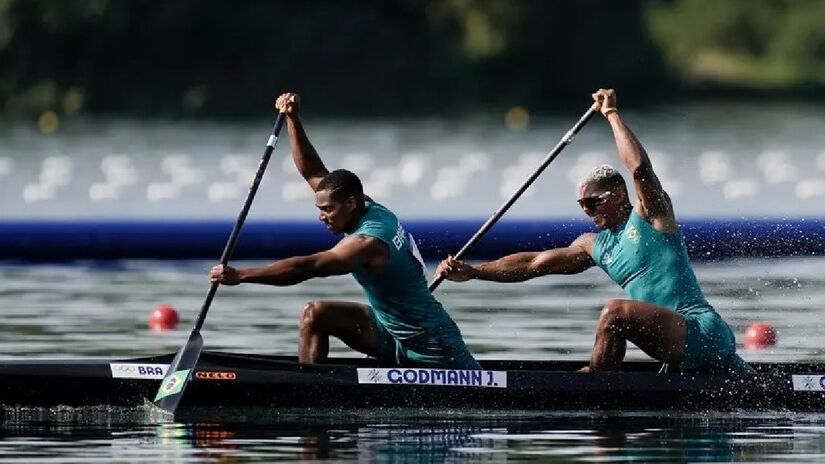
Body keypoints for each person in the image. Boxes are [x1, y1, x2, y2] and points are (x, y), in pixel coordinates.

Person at [436, 88, 749, 374]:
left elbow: (639, 168)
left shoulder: (652, 215)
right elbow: (532, 264)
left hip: (702, 332)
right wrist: (475, 272)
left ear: (620, 195)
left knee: (614, 312)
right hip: (673, 345)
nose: (587, 210)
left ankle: (595, 386)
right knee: (616, 318)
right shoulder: (594, 245)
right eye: (581, 204)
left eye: (593, 202)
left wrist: (611, 114)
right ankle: (599, 383)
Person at [210, 92, 480, 370]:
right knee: (314, 315)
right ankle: (309, 390)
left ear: (350, 203)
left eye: (327, 210)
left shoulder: (368, 241)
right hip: (388, 331)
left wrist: (242, 275)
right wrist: (293, 119)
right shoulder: (364, 205)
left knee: (316, 308)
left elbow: (311, 266)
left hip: (432, 345)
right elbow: (313, 171)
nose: (321, 216)